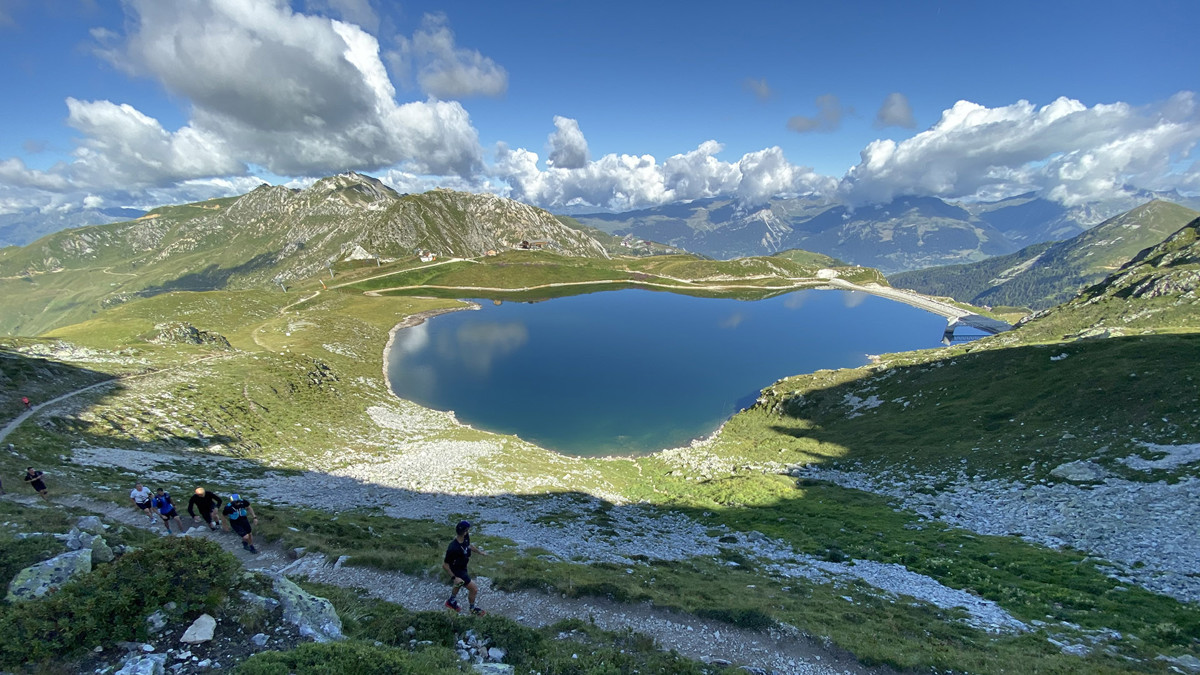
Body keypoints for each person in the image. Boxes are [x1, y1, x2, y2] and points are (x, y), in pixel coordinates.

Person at [443, 520, 487, 615]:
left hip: (463, 567)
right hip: (458, 570)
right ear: (465, 531)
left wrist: (480, 552)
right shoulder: (453, 547)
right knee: (474, 589)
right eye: (468, 530)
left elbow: (469, 546)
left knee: (459, 584)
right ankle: (472, 609)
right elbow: (445, 565)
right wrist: (454, 577)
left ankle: (451, 601)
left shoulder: (465, 538)